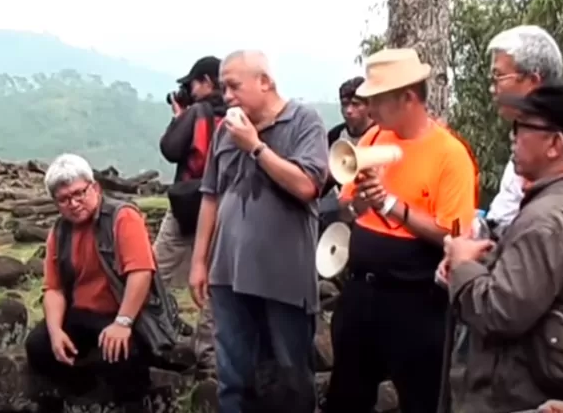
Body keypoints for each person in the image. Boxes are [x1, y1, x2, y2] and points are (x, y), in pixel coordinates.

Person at [323, 48, 476, 413]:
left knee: (421, 398)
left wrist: (391, 205)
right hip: (361, 291)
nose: (370, 109)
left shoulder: (449, 154)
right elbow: (348, 208)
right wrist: (362, 200)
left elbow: (452, 235)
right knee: (346, 395)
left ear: (408, 98)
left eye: (377, 100)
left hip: (416, 301)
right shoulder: (375, 138)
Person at [189, 50, 328, 413]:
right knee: (234, 379)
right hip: (228, 274)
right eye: (223, 87)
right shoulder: (224, 129)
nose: (227, 95)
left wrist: (255, 147)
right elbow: (210, 197)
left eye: (234, 86)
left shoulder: (304, 121)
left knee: (289, 380)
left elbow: (307, 186)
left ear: (265, 82)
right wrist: (199, 262)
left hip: (283, 278)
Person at [442, 83, 563, 412]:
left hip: (518, 397)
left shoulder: (547, 220)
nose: (512, 137)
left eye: (522, 127)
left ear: (555, 144)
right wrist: (487, 261)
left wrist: (463, 264)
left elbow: (499, 312)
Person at [25, 154, 175, 412]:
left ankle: (134, 403)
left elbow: (140, 272)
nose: (73, 203)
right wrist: (55, 331)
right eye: (64, 199)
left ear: (95, 187)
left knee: (121, 354)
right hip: (83, 313)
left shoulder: (122, 218)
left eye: (79, 193)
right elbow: (54, 288)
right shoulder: (60, 232)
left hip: (127, 312)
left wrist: (123, 322)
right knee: (38, 346)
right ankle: (84, 394)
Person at [156, 55, 226, 371]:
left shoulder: (198, 112)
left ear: (208, 82)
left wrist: (178, 117)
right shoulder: (240, 114)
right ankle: (209, 351)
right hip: (224, 206)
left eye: (193, 83)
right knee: (216, 278)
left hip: (189, 203)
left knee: (155, 268)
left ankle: (150, 328)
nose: (191, 89)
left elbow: (171, 149)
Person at [484, 25, 563, 233]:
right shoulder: (525, 142)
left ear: (533, 81)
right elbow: (502, 217)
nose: (492, 88)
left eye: (499, 77)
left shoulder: (555, 147)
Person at [319, 76, 375, 230]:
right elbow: (325, 182)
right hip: (344, 203)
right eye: (345, 105)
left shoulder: (381, 134)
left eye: (356, 104)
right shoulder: (335, 135)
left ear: (369, 105)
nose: (349, 110)